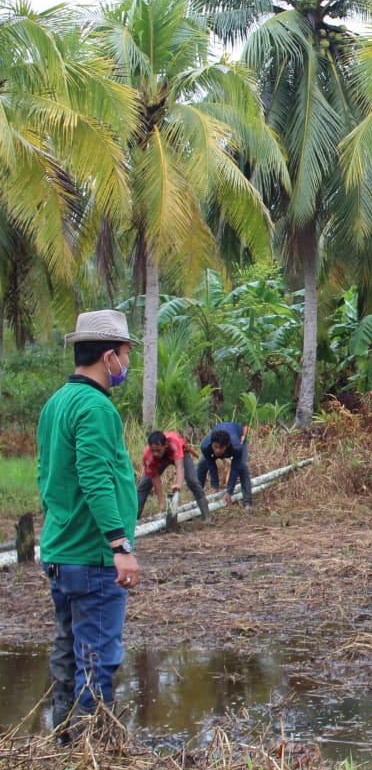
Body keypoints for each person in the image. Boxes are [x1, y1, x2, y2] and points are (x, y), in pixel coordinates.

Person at [37, 309, 142, 743]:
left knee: (68, 652)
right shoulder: (97, 408)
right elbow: (95, 476)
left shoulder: (56, 403)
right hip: (93, 556)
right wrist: (120, 543)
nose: (127, 364)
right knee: (97, 657)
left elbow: (47, 474)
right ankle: (92, 749)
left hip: (61, 552)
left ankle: (64, 740)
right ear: (108, 356)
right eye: (125, 354)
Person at [138, 430, 210, 520]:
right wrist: (161, 504)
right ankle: (135, 519)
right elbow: (155, 478)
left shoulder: (174, 443)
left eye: (158, 450)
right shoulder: (148, 456)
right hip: (160, 461)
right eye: (153, 451)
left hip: (181, 453)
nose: (155, 453)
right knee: (144, 485)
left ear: (166, 445)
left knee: (192, 481)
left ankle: (207, 516)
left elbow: (179, 466)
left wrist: (178, 485)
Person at [198, 421, 253, 509]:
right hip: (222, 434)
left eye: (221, 448)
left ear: (227, 445)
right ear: (211, 443)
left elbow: (235, 468)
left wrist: (229, 491)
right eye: (215, 447)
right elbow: (211, 465)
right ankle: (197, 498)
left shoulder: (237, 447)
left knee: (242, 467)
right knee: (202, 464)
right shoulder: (205, 447)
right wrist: (215, 485)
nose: (218, 451)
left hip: (238, 436)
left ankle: (248, 502)